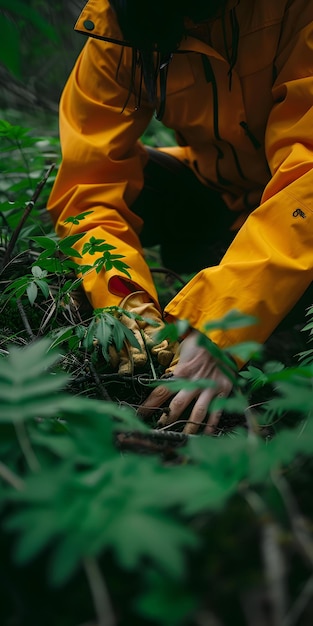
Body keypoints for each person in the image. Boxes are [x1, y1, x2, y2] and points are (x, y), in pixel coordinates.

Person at [47, 0, 313, 434]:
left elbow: (308, 172)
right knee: (129, 184)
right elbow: (89, 187)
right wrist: (124, 304)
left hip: (295, 209)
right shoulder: (116, 30)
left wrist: (221, 330)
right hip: (217, 197)